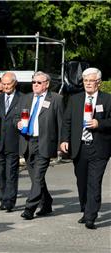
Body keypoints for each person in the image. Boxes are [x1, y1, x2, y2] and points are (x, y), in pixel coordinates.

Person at [60, 67, 111, 229]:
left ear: (99, 83)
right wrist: (64, 140)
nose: (88, 84)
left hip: (99, 148)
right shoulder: (75, 99)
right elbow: (66, 121)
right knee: (82, 182)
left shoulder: (108, 99)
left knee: (94, 182)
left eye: (91, 81)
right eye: (86, 81)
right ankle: (85, 209)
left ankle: (91, 216)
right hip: (79, 147)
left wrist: (100, 124)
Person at [16, 71, 63, 220]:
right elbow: (16, 117)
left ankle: (29, 208)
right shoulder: (26, 98)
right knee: (36, 178)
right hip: (28, 142)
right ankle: (47, 201)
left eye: (39, 82)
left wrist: (62, 143)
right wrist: (17, 123)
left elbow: (61, 123)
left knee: (37, 177)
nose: (35, 85)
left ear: (46, 84)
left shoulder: (56, 99)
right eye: (33, 82)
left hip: (44, 142)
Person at [0, 73, 22, 212]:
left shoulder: (22, 99)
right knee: (1, 172)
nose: (6, 86)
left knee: (11, 172)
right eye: (4, 84)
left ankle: (10, 201)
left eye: (9, 84)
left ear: (15, 83)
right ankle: (3, 198)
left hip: (13, 141)